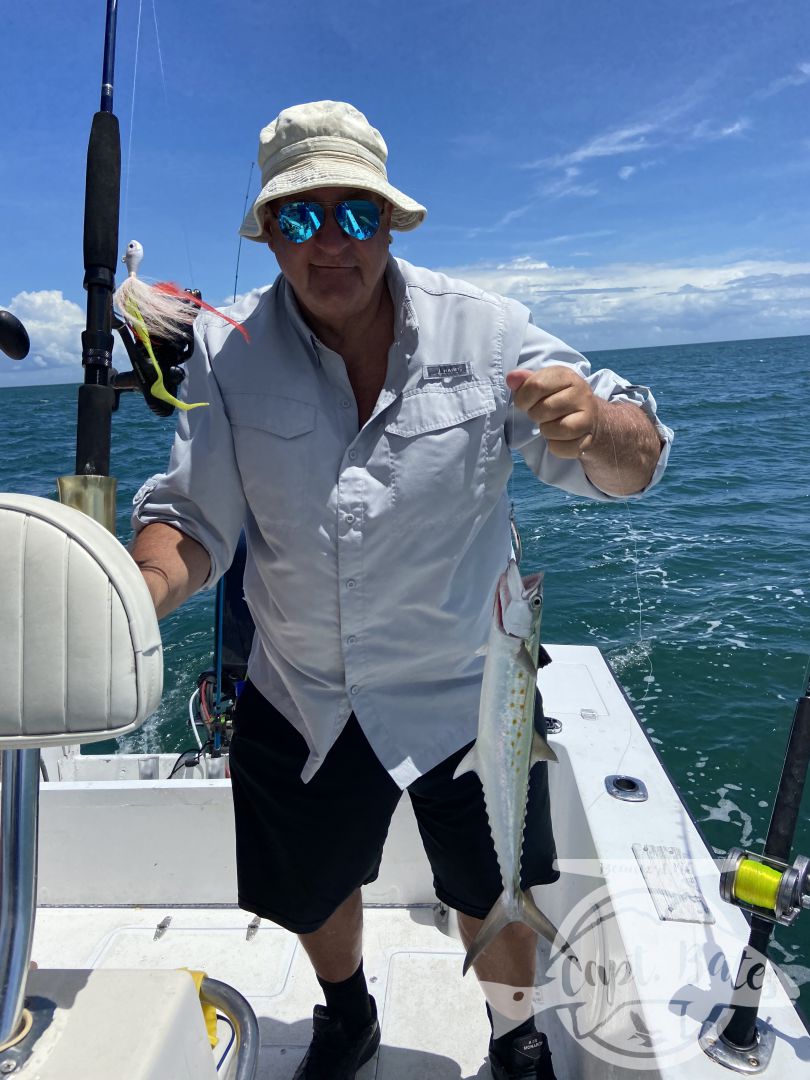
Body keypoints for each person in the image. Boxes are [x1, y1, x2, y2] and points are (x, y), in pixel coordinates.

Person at [131, 100, 672, 1080]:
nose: (329, 241)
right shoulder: (227, 353)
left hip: (468, 688)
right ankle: (348, 1016)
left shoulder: (493, 329)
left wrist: (597, 424)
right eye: (299, 217)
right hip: (302, 687)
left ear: (391, 220)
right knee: (314, 887)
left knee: (493, 883)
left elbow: (631, 467)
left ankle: (517, 1035)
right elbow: (193, 521)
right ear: (269, 231)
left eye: (356, 214)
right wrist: (138, 587)